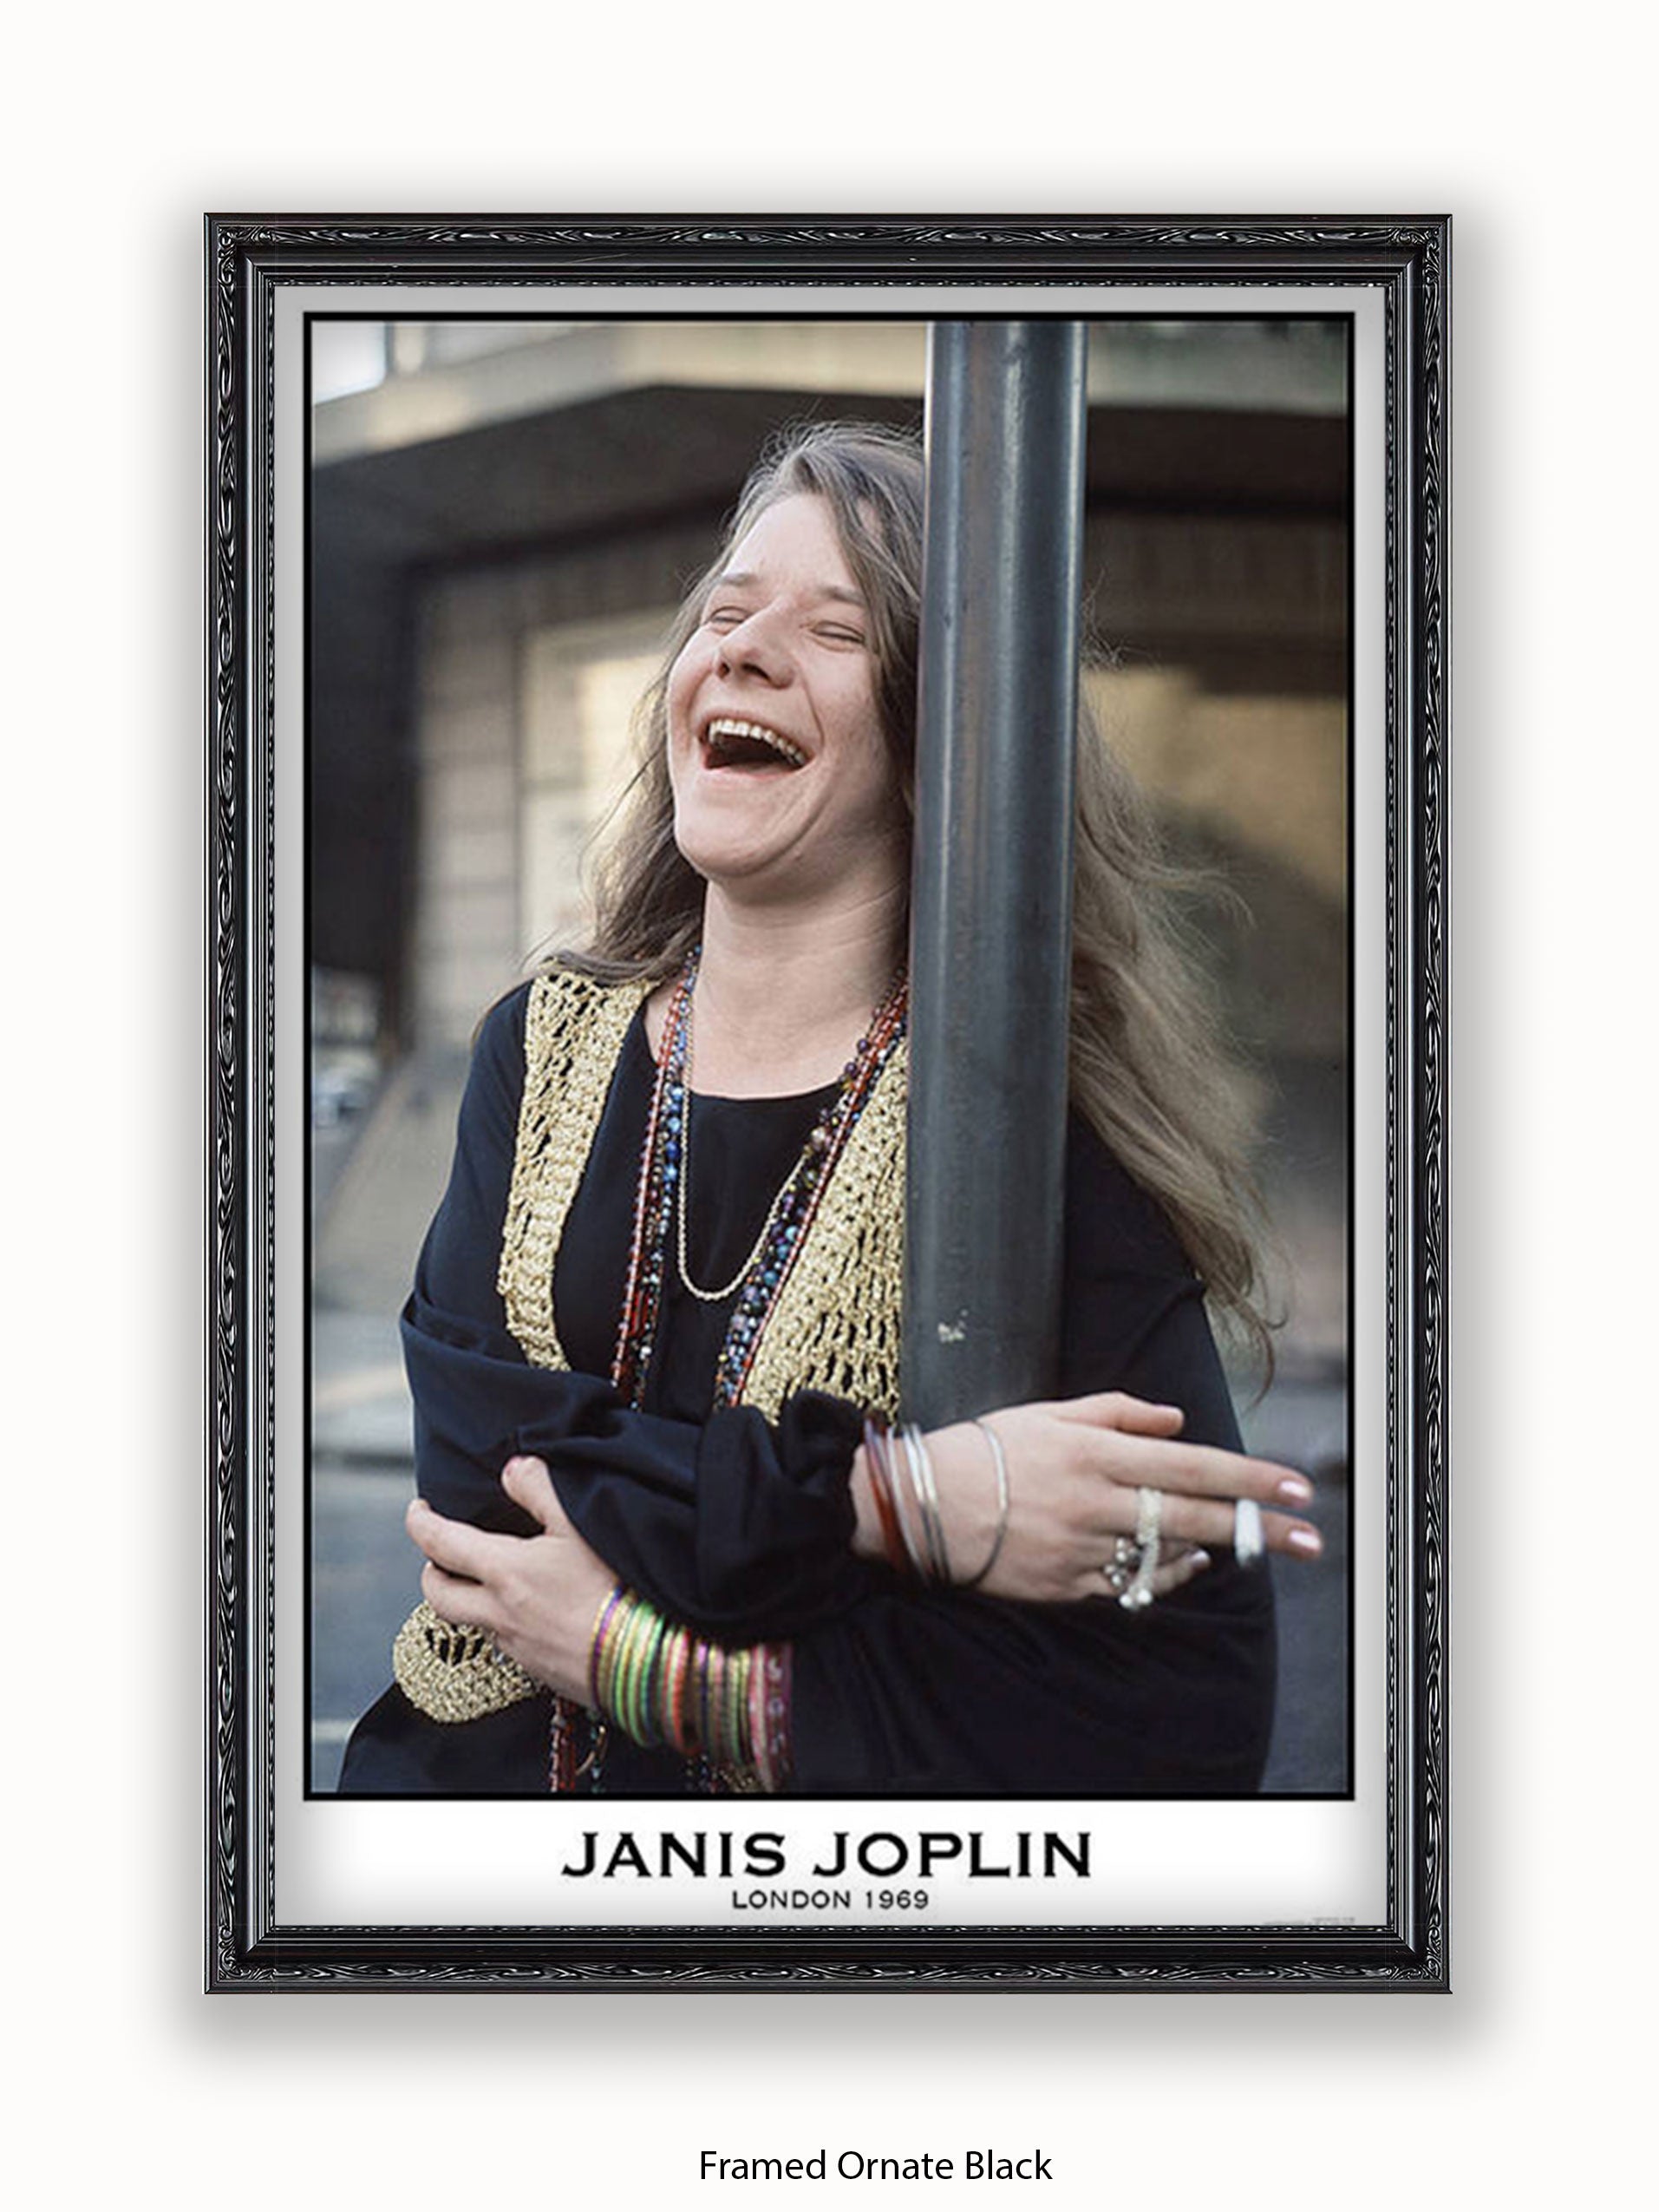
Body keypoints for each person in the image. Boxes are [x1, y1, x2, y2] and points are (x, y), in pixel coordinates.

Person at [339, 420, 1322, 1800]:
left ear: (939, 742)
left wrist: (644, 1659)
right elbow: (483, 1482)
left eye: (834, 630)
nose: (739, 650)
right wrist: (896, 1504)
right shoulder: (541, 1049)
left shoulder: (1033, 1134)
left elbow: (1178, 1714)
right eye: (722, 614)